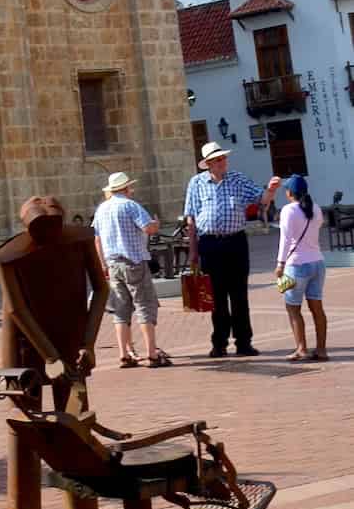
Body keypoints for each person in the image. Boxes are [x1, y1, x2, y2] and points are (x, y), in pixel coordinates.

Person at [0, 197, 106, 509]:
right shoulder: (8, 257)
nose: (50, 237)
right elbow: (15, 309)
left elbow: (101, 289)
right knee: (24, 432)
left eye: (54, 228)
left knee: (76, 430)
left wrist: (88, 343)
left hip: (70, 341)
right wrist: (50, 356)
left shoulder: (80, 241)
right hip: (24, 347)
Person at [184, 141, 280, 357]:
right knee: (216, 297)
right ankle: (219, 343)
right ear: (208, 163)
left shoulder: (238, 179)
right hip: (209, 244)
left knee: (239, 295)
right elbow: (191, 218)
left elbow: (262, 199)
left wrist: (271, 190)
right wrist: (193, 250)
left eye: (224, 158)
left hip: (235, 242)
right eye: (218, 159)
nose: (223, 162)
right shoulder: (196, 183)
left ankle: (244, 342)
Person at [92, 172, 169, 368]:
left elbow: (97, 239)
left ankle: (124, 354)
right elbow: (148, 228)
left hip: (113, 263)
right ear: (126, 188)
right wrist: (156, 224)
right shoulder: (130, 205)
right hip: (133, 261)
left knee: (120, 309)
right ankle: (151, 353)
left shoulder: (102, 209)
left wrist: (103, 264)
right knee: (144, 305)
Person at [276, 174, 327, 362]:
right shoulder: (316, 209)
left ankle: (301, 348)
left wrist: (280, 264)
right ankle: (321, 349)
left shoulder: (288, 210)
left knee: (293, 309)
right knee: (317, 309)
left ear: (290, 193)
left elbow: (285, 239)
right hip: (317, 263)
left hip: (296, 265)